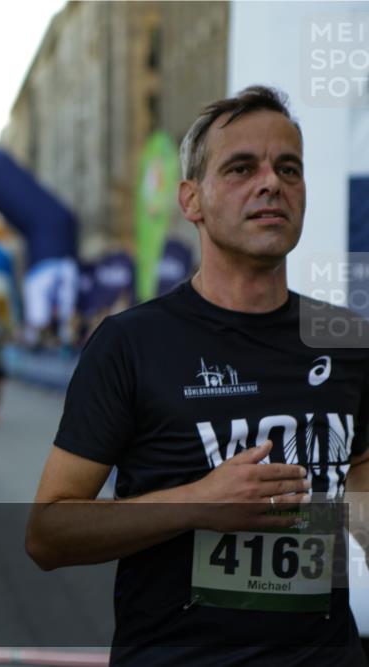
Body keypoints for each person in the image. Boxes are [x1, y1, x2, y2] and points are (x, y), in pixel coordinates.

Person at [25, 86, 369, 665]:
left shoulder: (348, 340)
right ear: (192, 200)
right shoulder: (131, 343)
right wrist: (199, 503)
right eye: (241, 168)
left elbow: (358, 478)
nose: (271, 184)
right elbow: (47, 534)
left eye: (289, 168)